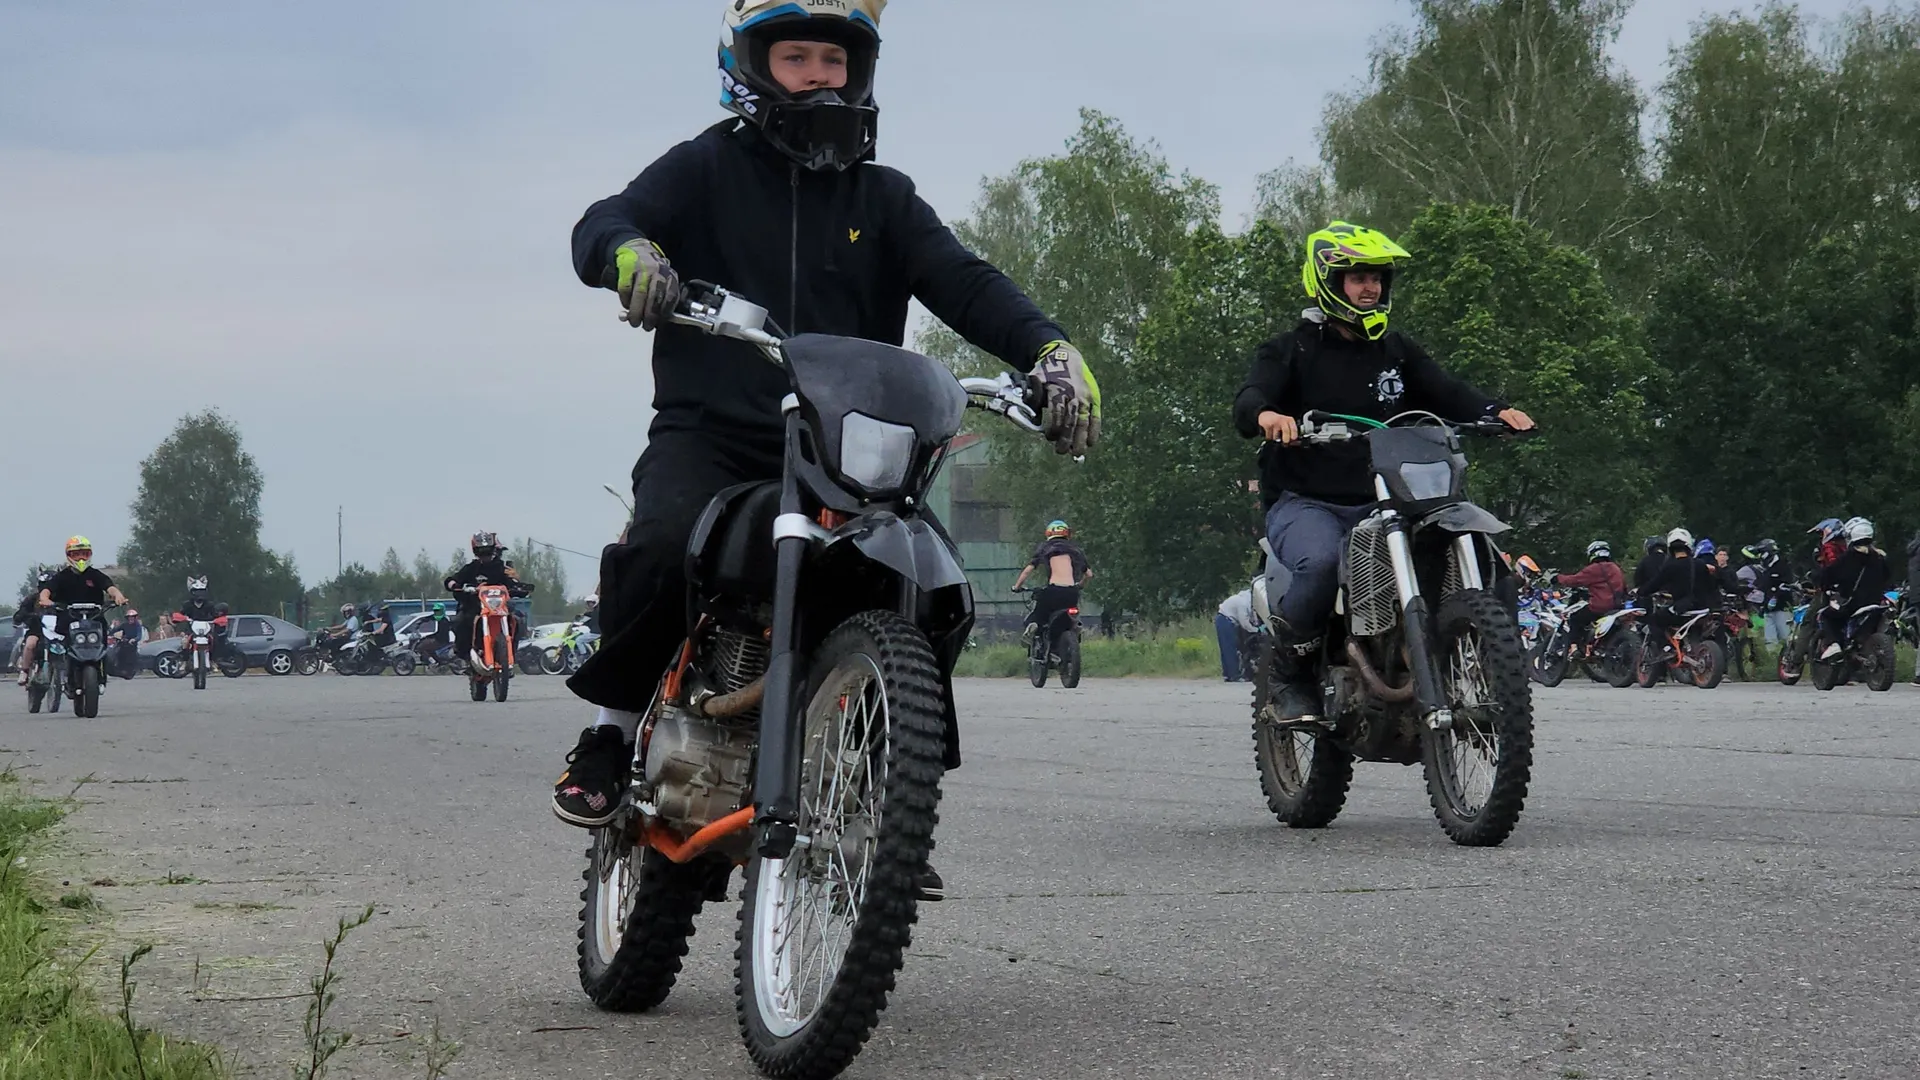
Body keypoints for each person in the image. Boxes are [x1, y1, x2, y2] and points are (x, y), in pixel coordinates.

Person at [553, 0, 1100, 895]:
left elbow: (964, 281)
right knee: (659, 542)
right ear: (750, 67)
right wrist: (629, 254)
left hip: (849, 449)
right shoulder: (705, 167)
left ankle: (885, 794)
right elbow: (605, 219)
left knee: (930, 582)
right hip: (716, 435)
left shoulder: (884, 198)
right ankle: (612, 735)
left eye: (834, 61)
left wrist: (1051, 350)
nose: (819, 76)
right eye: (797, 56)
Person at [1231, 221, 1535, 722]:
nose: (1370, 287)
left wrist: (1494, 411)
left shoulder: (1395, 350)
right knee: (1323, 564)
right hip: (1309, 502)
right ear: (1329, 282)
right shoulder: (1291, 349)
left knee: (1481, 549)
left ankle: (1489, 665)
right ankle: (1290, 672)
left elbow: (1446, 391)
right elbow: (1250, 397)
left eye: (1376, 277)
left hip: (1391, 498)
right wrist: (1268, 415)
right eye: (1357, 277)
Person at [19, 537, 130, 685]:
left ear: (89, 555)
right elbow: (47, 590)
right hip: (69, 618)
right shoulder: (62, 576)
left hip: (94, 618)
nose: (81, 558)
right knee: (62, 643)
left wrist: (118, 596)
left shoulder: (95, 574)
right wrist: (45, 599)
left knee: (103, 641)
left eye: (84, 553)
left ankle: (102, 675)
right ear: (69, 556)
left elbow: (109, 586)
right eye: (76, 554)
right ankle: (64, 672)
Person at [446, 532, 530, 664]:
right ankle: (465, 655)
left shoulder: (502, 568)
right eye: (481, 551)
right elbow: (452, 580)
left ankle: (510, 654)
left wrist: (519, 587)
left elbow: (512, 582)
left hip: (500, 608)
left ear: (493, 550)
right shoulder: (471, 568)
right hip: (475, 607)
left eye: (488, 551)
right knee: (461, 621)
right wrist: (454, 585)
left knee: (517, 621)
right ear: (476, 552)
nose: (485, 555)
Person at [1814, 517, 1890, 660]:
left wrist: (1824, 585)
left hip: (1851, 603)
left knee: (1826, 616)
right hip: (1876, 602)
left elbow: (1829, 575)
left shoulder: (1848, 557)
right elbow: (1887, 577)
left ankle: (1834, 643)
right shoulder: (1880, 557)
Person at [1636, 529, 1720, 659]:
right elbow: (1711, 585)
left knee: (1654, 620)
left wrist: (1640, 591)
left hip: (1683, 610)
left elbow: (1654, 584)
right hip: (1703, 609)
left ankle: (1666, 648)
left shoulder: (1670, 566)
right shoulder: (1700, 564)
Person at [1011, 521, 1092, 644]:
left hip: (1053, 591)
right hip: (1071, 592)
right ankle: (1075, 626)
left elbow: (1028, 570)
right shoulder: (1075, 550)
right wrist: (1080, 585)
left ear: (1049, 533)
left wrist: (1017, 587)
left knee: (1039, 614)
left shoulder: (1046, 547)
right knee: (1072, 612)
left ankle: (1033, 626)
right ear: (1066, 533)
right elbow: (1089, 574)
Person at [1553, 540, 1624, 653]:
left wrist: (1558, 578)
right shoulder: (1615, 568)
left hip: (1600, 607)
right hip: (1618, 606)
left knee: (1575, 618)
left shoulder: (1595, 568)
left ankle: (1574, 648)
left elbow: (1574, 580)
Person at [1215, 587, 1261, 682]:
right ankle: (1234, 675)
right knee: (1230, 648)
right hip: (1226, 620)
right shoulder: (1243, 603)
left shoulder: (1245, 599)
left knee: (1226, 648)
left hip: (1223, 619)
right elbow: (1244, 623)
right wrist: (1257, 630)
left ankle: (1227, 674)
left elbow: (1252, 616)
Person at [110, 608, 146, 679]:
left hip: (132, 645)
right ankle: (118, 669)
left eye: (132, 617)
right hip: (124, 643)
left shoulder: (137, 625)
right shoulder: (124, 624)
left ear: (135, 618)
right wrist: (109, 633)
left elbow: (139, 636)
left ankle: (132, 670)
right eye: (129, 617)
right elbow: (115, 630)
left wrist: (134, 639)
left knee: (131, 657)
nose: (131, 618)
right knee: (118, 653)